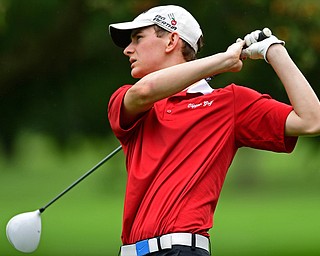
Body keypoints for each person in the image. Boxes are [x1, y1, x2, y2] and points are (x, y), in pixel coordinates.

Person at [107, 5, 320, 256]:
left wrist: (274, 50)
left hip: (182, 249)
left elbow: (312, 120)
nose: (128, 50)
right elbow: (145, 91)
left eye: (138, 38)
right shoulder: (128, 101)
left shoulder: (229, 103)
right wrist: (224, 60)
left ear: (171, 41)